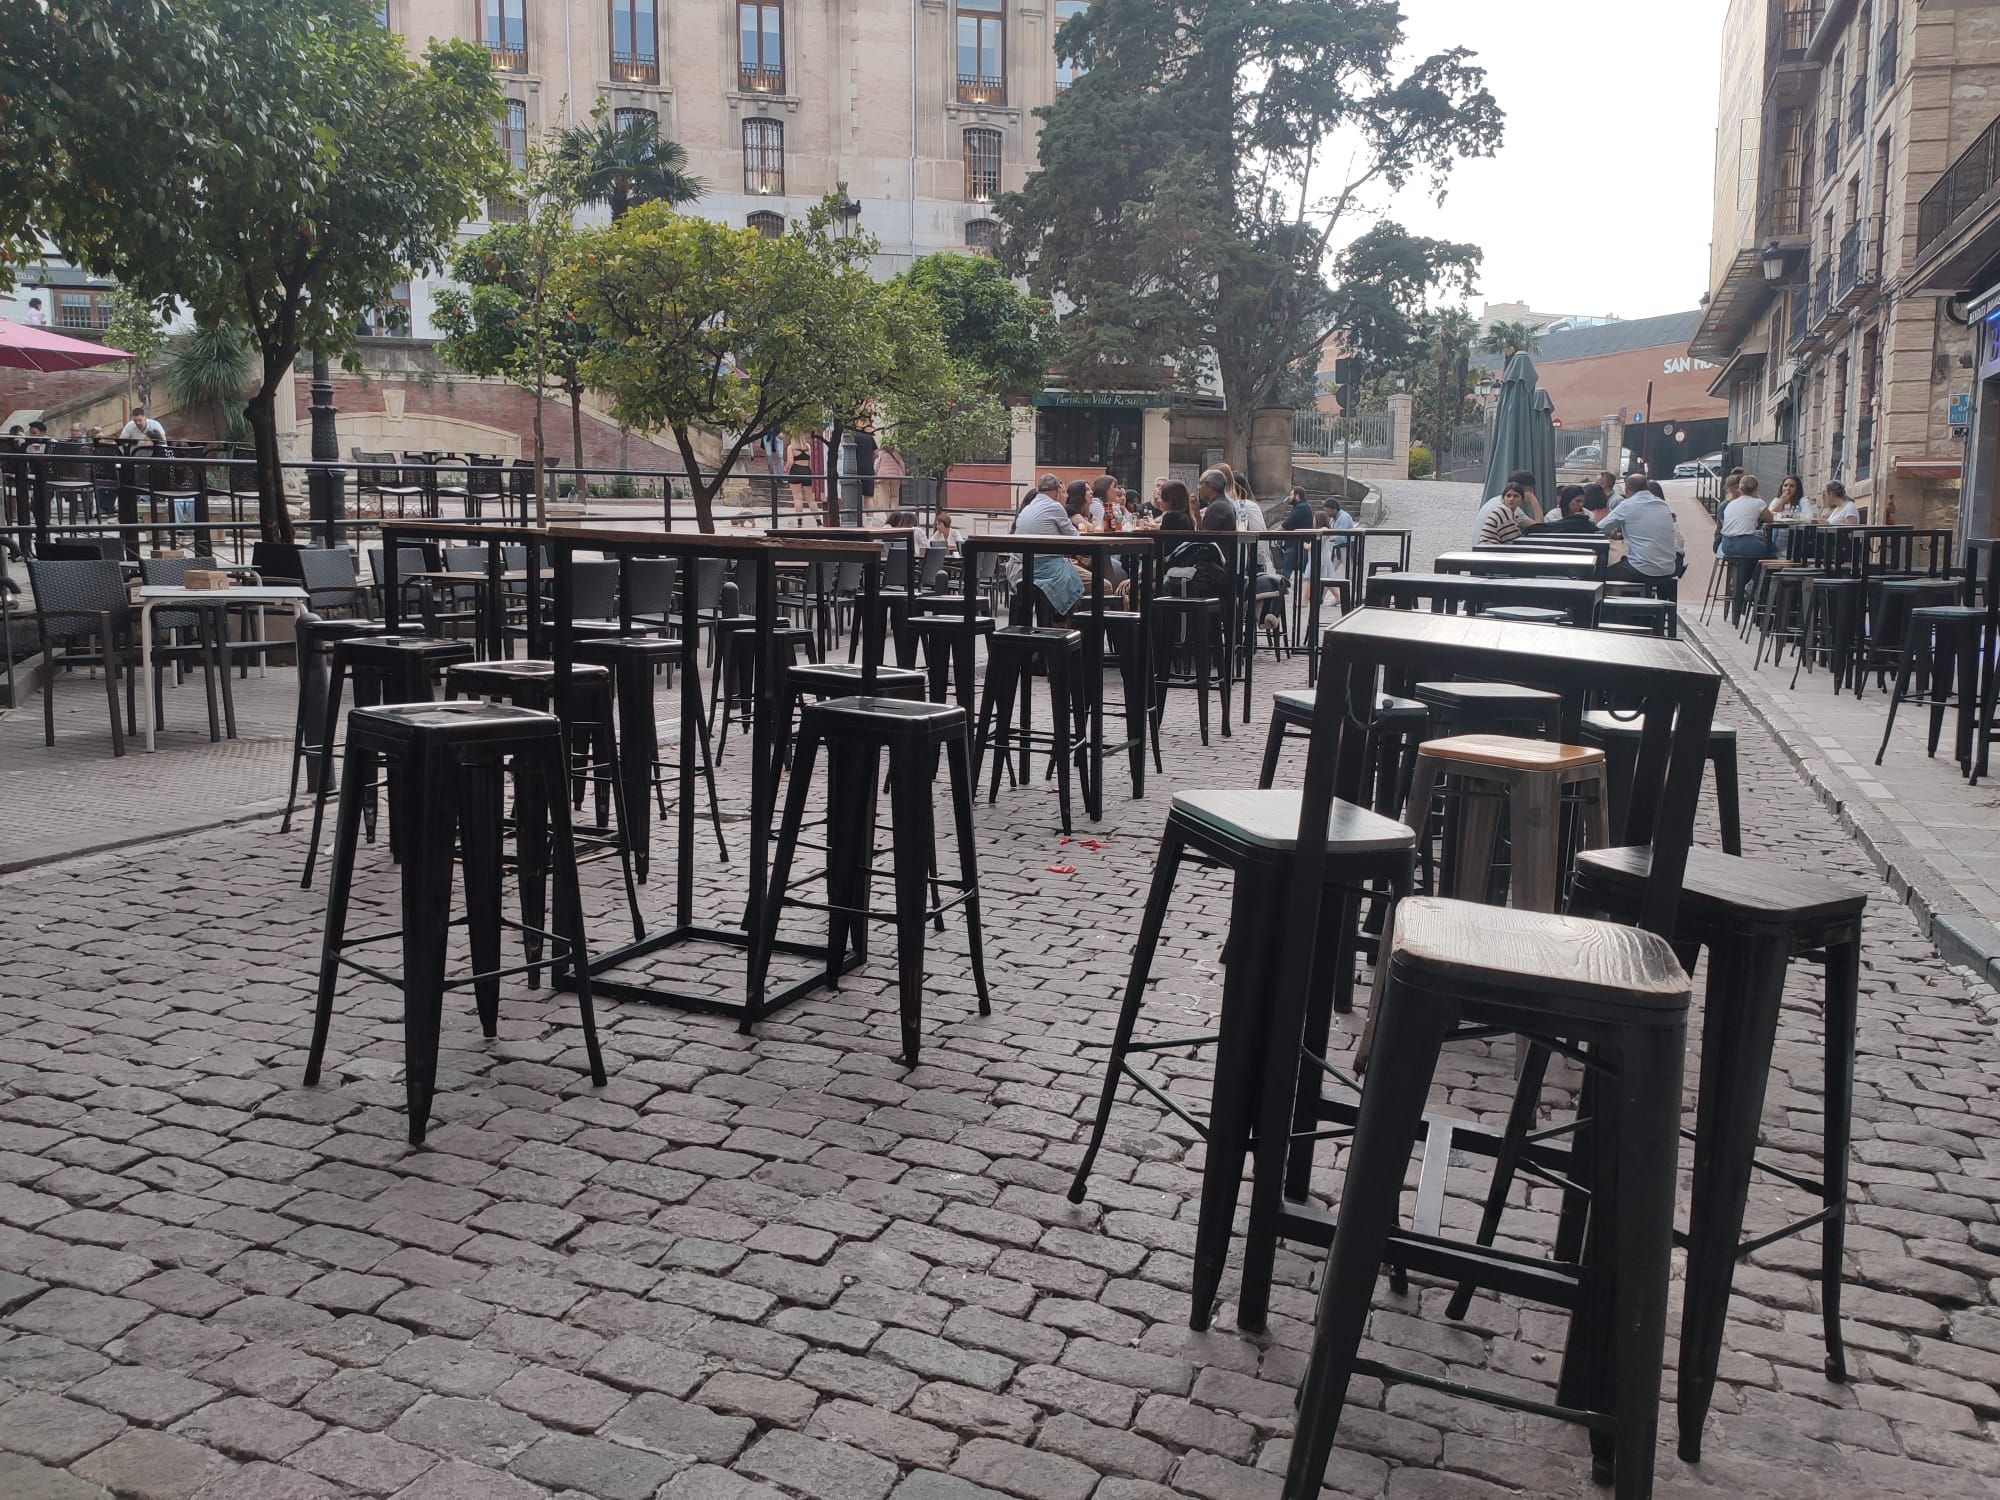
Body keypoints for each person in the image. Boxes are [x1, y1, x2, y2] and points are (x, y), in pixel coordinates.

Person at [1013, 474, 1086, 617]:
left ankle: (1054, 620)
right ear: (1057, 492)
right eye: (1064, 492)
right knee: (1100, 586)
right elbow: (1075, 538)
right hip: (1048, 570)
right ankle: (1070, 629)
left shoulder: (1027, 509)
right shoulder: (1055, 506)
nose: (1066, 496)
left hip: (1024, 568)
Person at [1598, 473, 1680, 596]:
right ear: (1647, 487)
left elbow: (1601, 528)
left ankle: (1620, 612)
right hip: (1668, 567)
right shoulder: (1662, 505)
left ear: (1627, 489)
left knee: (1600, 576)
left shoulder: (1628, 505)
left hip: (1641, 567)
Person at [1716, 472, 1774, 619]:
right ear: (1756, 488)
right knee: (1771, 554)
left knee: (1758, 550)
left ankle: (1741, 585)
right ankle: (1753, 585)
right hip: (1743, 544)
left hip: (1726, 546)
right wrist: (1758, 499)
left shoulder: (1731, 504)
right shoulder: (1757, 502)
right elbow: (1770, 519)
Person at [852, 417, 878, 512]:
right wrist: (870, 460)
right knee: (869, 496)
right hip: (868, 470)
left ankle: (857, 519)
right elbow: (877, 453)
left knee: (855, 496)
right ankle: (869, 522)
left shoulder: (852, 437)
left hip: (854, 470)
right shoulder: (869, 437)